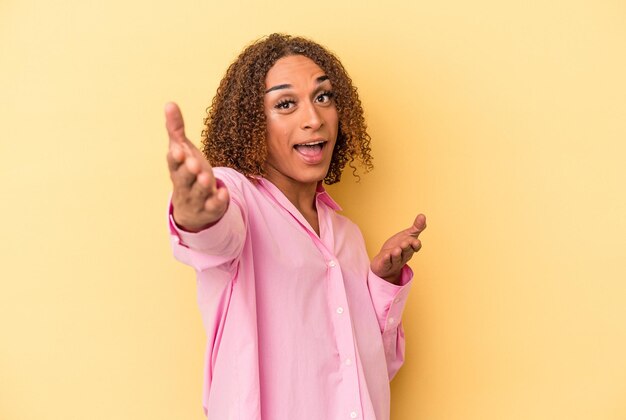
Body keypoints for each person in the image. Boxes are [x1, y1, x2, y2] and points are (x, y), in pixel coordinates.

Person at [165, 33, 426, 420]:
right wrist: (197, 211)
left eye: (323, 97)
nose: (314, 118)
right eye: (285, 104)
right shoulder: (237, 197)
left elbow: (371, 370)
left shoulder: (346, 236)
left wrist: (382, 282)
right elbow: (215, 236)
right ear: (253, 123)